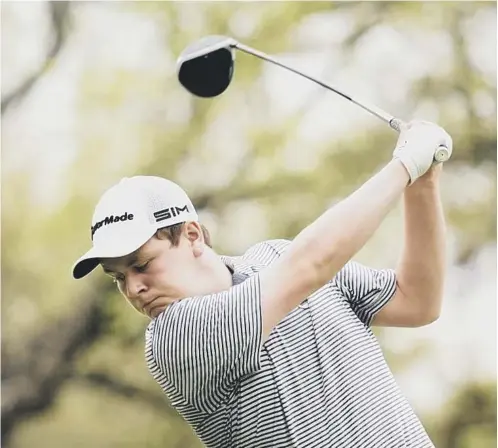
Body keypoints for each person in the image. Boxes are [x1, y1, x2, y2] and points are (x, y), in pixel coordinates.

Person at [72, 120, 452, 448]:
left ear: (191, 235)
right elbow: (310, 264)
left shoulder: (276, 256)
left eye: (141, 264)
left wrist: (424, 182)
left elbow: (417, 301)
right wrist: (405, 165)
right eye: (119, 277)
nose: (133, 289)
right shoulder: (174, 338)